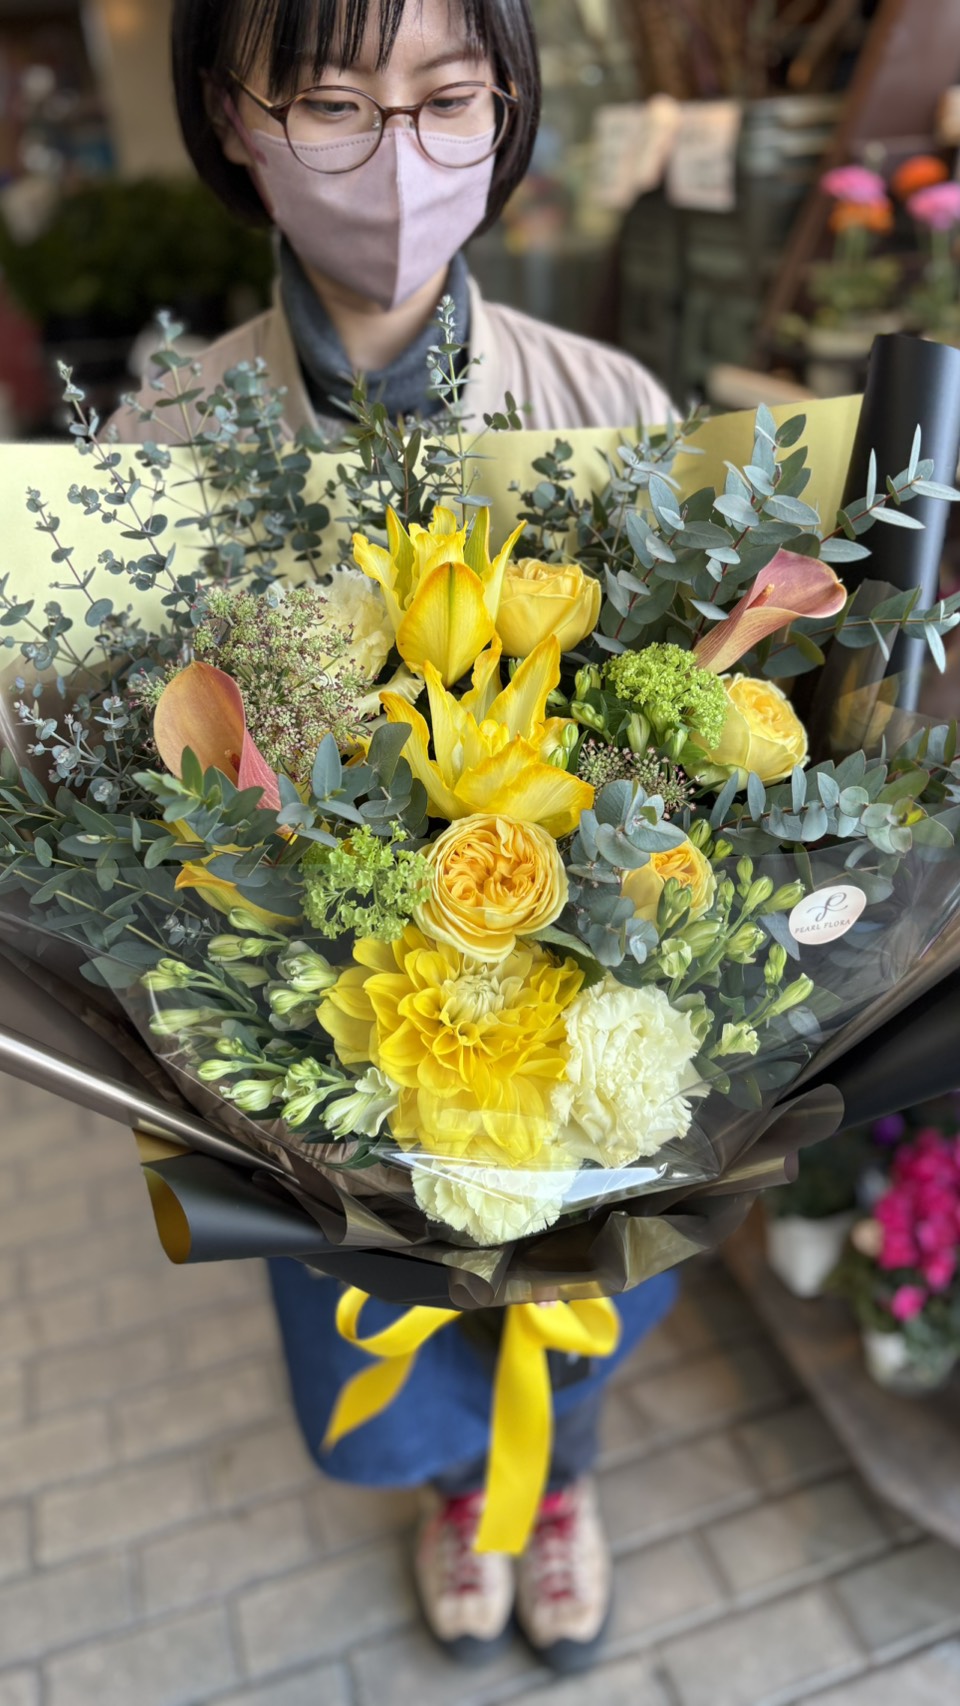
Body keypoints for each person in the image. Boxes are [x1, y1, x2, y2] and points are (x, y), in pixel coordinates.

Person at [115, 0, 679, 1675]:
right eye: (329, 101)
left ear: (506, 107)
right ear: (232, 115)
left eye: (444, 97)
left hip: (570, 1064)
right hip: (320, 1084)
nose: (397, 154)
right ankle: (460, 1494)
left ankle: (556, 1483)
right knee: (384, 1337)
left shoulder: (613, 410)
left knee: (579, 1304)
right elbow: (111, 806)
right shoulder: (156, 448)